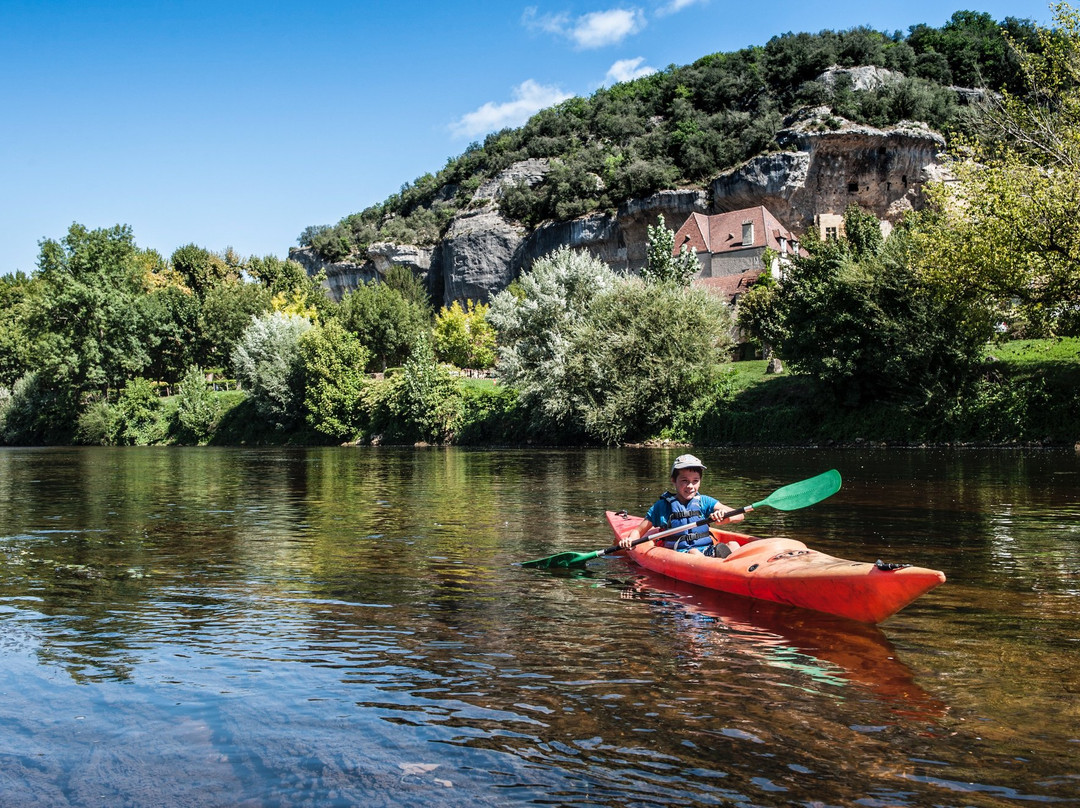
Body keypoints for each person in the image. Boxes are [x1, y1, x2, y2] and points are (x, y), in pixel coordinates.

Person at [618, 454, 744, 555]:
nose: (690, 486)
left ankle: (732, 568)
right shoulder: (661, 507)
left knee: (734, 545)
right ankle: (717, 566)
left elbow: (740, 516)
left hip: (707, 549)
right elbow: (639, 531)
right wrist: (630, 540)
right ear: (673, 480)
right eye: (684, 481)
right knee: (693, 552)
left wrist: (725, 517)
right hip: (681, 553)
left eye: (695, 481)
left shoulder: (704, 501)